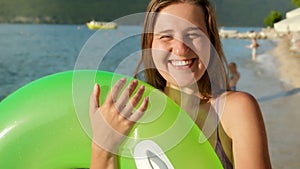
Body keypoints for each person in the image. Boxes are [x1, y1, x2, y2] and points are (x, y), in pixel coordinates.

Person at [89, 0, 272, 169]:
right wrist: (102, 147)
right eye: (166, 36)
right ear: (149, 44)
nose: (181, 49)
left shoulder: (234, 110)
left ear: (210, 41)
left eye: (193, 34)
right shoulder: (130, 114)